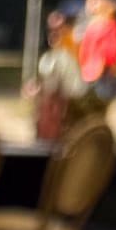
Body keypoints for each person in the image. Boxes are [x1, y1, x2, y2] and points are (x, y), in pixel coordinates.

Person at [33, 12, 85, 141]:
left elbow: (71, 74)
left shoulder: (70, 49)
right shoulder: (48, 54)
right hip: (48, 91)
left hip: (62, 91)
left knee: (59, 114)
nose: (55, 34)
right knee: (45, 114)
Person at [78, 0, 116, 102]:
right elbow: (111, 50)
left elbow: (83, 51)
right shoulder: (109, 25)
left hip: (91, 72)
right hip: (102, 70)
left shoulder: (92, 26)